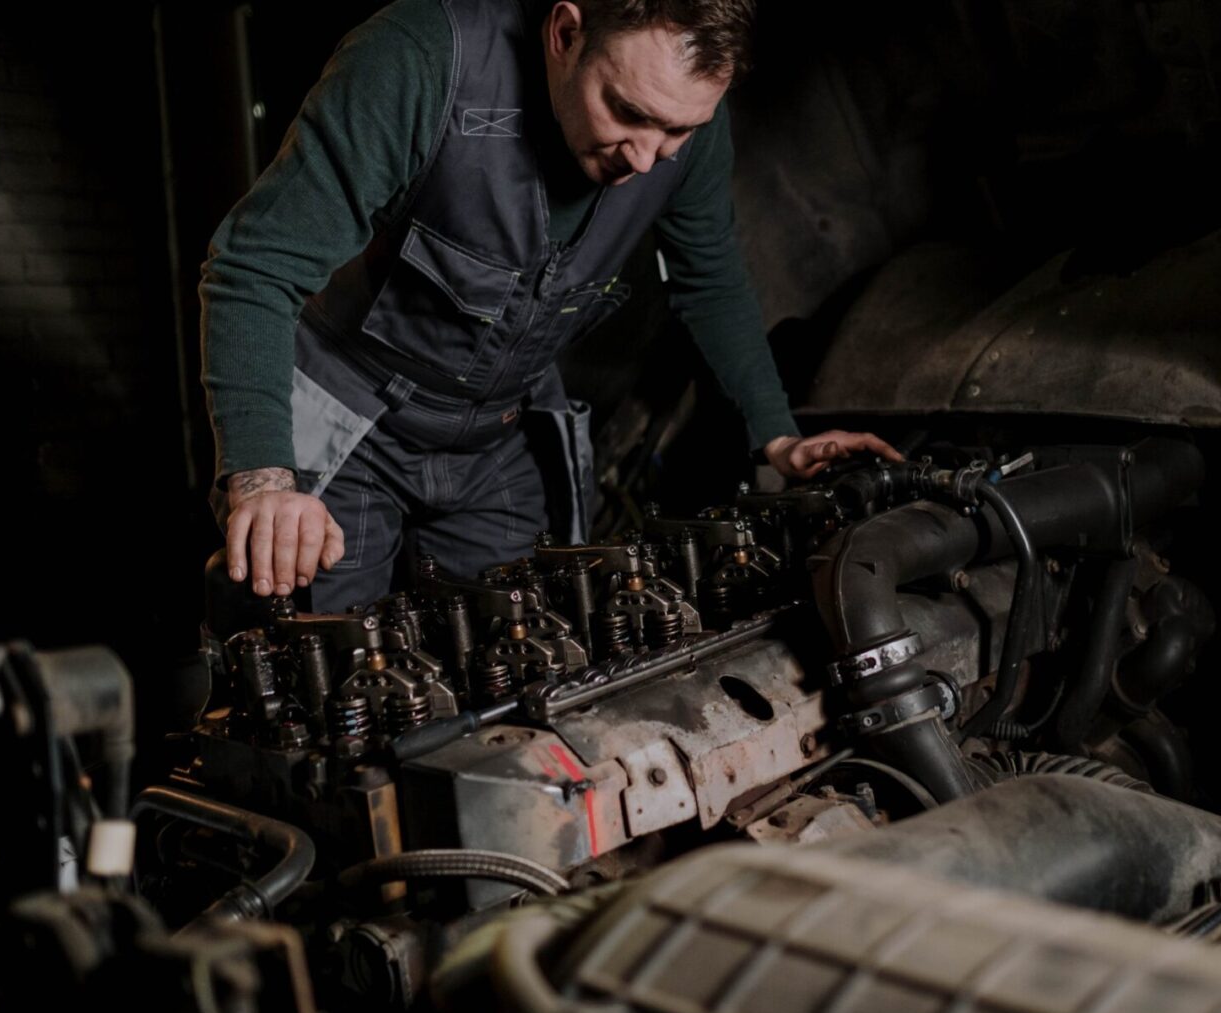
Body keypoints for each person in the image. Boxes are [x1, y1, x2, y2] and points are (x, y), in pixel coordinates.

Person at [201, 0, 900, 611]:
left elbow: (710, 280)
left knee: (525, 663)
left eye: (679, 132)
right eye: (627, 113)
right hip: (357, 425)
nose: (648, 159)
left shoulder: (684, 124)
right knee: (334, 679)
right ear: (565, 33)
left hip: (496, 438)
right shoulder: (419, 57)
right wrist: (264, 480)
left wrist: (777, 438)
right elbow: (255, 267)